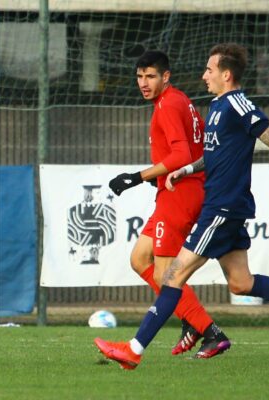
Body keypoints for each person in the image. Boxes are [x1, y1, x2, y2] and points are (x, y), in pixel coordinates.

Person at [94, 43, 269, 370]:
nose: (203, 75)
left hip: (222, 208)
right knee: (241, 282)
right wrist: (185, 169)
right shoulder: (218, 106)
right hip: (225, 206)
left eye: (209, 70)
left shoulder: (238, 104)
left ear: (226, 74)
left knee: (172, 278)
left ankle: (134, 350)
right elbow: (213, 157)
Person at [96, 50, 231, 364]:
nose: (144, 83)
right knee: (139, 258)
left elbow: (182, 156)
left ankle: (209, 331)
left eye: (151, 76)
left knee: (166, 273)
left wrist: (136, 176)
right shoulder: (177, 99)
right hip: (181, 191)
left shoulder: (168, 104)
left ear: (165, 76)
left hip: (180, 193)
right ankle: (192, 320)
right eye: (140, 76)